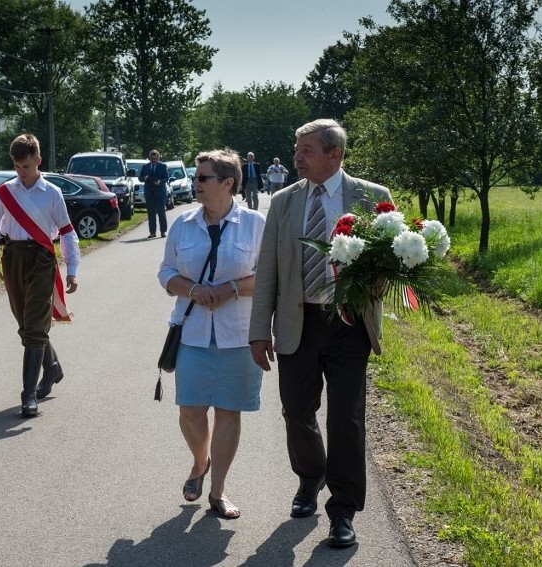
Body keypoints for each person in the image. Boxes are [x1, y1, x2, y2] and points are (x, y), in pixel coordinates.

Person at [249, 119, 393, 548]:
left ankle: (343, 510)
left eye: (306, 149)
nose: (297, 156)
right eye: (297, 149)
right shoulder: (282, 202)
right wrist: (260, 331)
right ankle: (310, 477)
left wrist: (370, 285)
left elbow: (389, 265)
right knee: (297, 411)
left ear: (334, 154)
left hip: (349, 323)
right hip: (298, 323)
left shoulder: (373, 197)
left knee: (346, 418)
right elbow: (268, 271)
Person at [158, 148, 266, 520]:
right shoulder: (183, 224)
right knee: (190, 411)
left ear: (227, 183)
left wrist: (229, 290)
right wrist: (191, 289)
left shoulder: (255, 224)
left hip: (239, 334)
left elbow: (269, 278)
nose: (195, 184)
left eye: (203, 178)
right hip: (192, 333)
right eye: (196, 177)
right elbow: (166, 273)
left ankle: (218, 492)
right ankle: (199, 461)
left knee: (227, 413)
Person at [0, 133, 81, 417]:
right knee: (26, 324)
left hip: (42, 259)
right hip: (12, 258)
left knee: (34, 326)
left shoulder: (52, 193)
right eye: (17, 166)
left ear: (38, 161)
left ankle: (28, 394)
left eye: (26, 166)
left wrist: (72, 269)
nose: (22, 172)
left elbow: (67, 232)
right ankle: (53, 367)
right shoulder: (4, 193)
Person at [138, 149, 169, 238]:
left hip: (160, 193)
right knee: (151, 214)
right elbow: (140, 178)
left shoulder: (163, 166)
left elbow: (166, 178)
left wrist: (159, 182)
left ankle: (163, 231)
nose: (153, 160)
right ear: (149, 158)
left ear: (158, 158)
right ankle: (152, 232)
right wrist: (145, 178)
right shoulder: (145, 167)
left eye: (155, 158)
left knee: (161, 213)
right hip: (149, 193)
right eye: (152, 159)